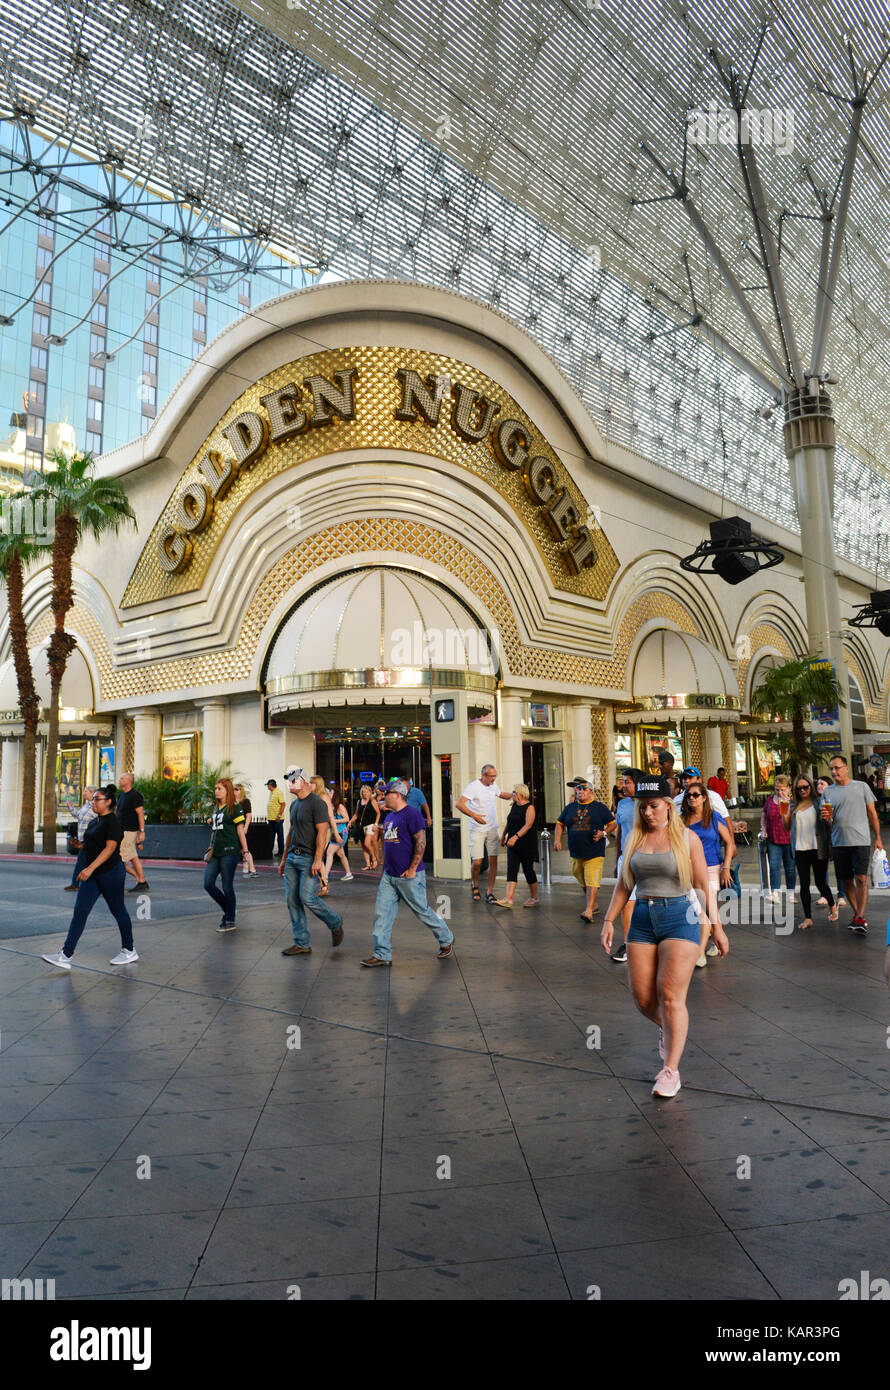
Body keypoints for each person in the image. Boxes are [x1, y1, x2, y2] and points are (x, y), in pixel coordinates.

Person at [600, 774, 729, 1098]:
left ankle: (670, 1070)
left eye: (654, 806)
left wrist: (717, 927)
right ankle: (670, 1029)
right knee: (644, 1000)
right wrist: (609, 920)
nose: (648, 813)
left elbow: (702, 886)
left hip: (680, 918)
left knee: (671, 997)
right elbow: (624, 885)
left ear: (669, 806)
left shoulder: (687, 839)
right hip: (643, 918)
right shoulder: (635, 840)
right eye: (643, 807)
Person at [42, 787, 138, 969]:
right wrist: (80, 846)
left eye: (97, 799)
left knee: (118, 910)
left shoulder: (114, 822)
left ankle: (129, 950)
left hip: (111, 873)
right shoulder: (95, 822)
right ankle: (65, 955)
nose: (93, 802)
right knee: (80, 911)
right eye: (92, 799)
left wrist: (89, 868)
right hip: (94, 874)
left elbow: (110, 849)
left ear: (108, 801)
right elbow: (93, 846)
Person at [360, 780, 453, 966]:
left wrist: (412, 869)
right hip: (389, 875)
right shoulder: (389, 817)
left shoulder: (412, 814)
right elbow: (388, 843)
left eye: (387, 793)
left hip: (409, 876)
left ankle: (446, 938)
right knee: (382, 913)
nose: (384, 796)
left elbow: (421, 842)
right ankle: (382, 953)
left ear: (397, 795)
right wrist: (384, 864)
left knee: (422, 911)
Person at [279, 768, 344, 956]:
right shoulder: (294, 805)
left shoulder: (317, 803)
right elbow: (291, 833)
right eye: (289, 780)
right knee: (292, 900)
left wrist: (317, 860)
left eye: (293, 780)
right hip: (292, 857)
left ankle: (335, 922)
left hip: (308, 858)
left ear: (304, 781)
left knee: (307, 897)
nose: (289, 784)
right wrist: (284, 859)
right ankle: (301, 942)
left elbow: (322, 833)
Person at [821, 754, 884, 935]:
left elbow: (872, 813)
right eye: (831, 768)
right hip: (840, 842)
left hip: (861, 841)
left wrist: (878, 837)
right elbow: (828, 820)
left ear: (846, 768)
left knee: (862, 878)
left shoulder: (861, 787)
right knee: (846, 880)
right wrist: (828, 823)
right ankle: (859, 916)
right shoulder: (828, 792)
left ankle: (860, 915)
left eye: (837, 768)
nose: (834, 772)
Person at [679, 780, 733, 966]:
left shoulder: (713, 817)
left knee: (703, 910)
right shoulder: (682, 820)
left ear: (704, 798)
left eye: (696, 795)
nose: (692, 798)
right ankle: (711, 940)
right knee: (700, 910)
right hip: (689, 869)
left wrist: (725, 868)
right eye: (689, 795)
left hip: (711, 868)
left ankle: (700, 952)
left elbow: (730, 843)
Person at [555, 778, 616, 922]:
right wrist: (557, 840)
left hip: (594, 850)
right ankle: (593, 903)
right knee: (579, 875)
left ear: (590, 791)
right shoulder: (570, 808)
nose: (580, 791)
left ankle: (589, 910)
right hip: (576, 851)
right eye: (578, 789)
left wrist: (603, 833)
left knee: (592, 880)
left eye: (583, 789)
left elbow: (613, 823)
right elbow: (559, 824)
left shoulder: (599, 807)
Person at [457, 763, 513, 903]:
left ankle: (490, 891)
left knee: (493, 861)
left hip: (492, 828)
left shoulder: (493, 785)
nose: (494, 779)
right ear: (484, 776)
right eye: (491, 776)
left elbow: (502, 795)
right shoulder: (473, 786)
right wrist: (474, 815)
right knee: (477, 862)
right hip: (477, 828)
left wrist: (515, 795)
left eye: (495, 776)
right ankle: (475, 884)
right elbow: (459, 804)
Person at [791, 774, 836, 929]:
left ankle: (832, 903)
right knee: (804, 884)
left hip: (818, 847)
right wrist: (783, 814)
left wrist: (831, 845)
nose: (803, 790)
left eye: (806, 787)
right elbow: (786, 827)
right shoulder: (792, 805)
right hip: (800, 848)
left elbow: (828, 824)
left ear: (811, 786)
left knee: (820, 882)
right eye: (799, 788)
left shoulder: (819, 802)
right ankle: (808, 917)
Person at [204, 778, 249, 932]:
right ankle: (229, 910)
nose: (216, 791)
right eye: (216, 788)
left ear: (227, 790)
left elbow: (240, 830)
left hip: (229, 851)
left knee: (227, 885)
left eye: (220, 788)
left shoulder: (234, 808)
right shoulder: (217, 808)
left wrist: (245, 851)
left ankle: (230, 919)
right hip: (215, 852)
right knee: (208, 884)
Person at [611, 767, 644, 963]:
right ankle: (628, 944)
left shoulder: (648, 804)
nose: (623, 785)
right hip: (626, 858)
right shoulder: (622, 804)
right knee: (627, 903)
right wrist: (618, 858)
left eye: (627, 782)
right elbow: (621, 832)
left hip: (646, 859)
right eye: (623, 782)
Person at [495, 784, 538, 908]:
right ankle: (509, 898)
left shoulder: (530, 807)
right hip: (512, 844)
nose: (512, 794)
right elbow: (510, 822)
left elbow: (528, 825)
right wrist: (504, 836)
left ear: (521, 794)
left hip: (526, 843)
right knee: (511, 869)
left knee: (528, 870)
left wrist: (515, 837)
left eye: (514, 792)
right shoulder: (514, 805)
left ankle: (534, 897)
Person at [762, 774, 795, 903]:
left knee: (790, 867)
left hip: (788, 838)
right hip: (773, 837)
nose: (779, 792)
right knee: (774, 866)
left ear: (788, 788)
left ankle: (790, 893)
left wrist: (785, 802)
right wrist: (763, 829)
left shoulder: (792, 801)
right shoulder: (770, 800)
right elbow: (764, 814)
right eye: (777, 789)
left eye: (782, 789)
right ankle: (775, 892)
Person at [116, 772, 150, 893]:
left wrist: (142, 832)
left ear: (129, 781)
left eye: (122, 778)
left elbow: (140, 813)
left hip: (129, 831)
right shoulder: (120, 796)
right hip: (121, 831)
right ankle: (141, 881)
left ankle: (118, 884)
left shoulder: (135, 795)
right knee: (133, 857)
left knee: (120, 858)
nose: (119, 780)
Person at [816, 775, 846, 908]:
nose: (819, 786)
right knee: (822, 867)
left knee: (839, 866)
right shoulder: (816, 801)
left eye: (822, 783)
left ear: (829, 786)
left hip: (835, 835)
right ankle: (824, 895)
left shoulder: (833, 799)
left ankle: (841, 895)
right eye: (818, 784)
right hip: (821, 837)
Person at [64, 786, 96, 891]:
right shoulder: (86, 805)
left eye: (86, 791)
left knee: (83, 862)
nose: (84, 793)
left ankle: (76, 883)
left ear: (92, 793)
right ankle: (77, 883)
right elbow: (78, 816)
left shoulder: (95, 807)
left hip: (91, 839)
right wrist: (71, 807)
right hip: (82, 838)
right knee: (83, 862)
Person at [324, 785, 354, 882]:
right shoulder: (330, 806)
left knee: (329, 852)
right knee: (341, 854)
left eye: (331, 792)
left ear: (335, 795)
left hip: (341, 832)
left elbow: (347, 818)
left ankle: (325, 876)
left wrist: (333, 821)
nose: (329, 794)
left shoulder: (339, 806)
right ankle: (348, 873)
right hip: (335, 832)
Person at [349, 783, 380, 869]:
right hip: (361, 826)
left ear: (370, 792)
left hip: (370, 825)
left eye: (366, 792)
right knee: (363, 845)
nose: (364, 794)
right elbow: (356, 814)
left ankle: (374, 859)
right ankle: (368, 865)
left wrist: (376, 824)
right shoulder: (359, 801)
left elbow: (378, 813)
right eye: (363, 792)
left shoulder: (372, 801)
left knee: (367, 842)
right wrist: (350, 821)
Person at [234, 783, 258, 877]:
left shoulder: (245, 801)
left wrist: (245, 827)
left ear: (241, 790)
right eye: (233, 789)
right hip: (234, 829)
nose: (234, 791)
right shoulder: (233, 802)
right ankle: (245, 869)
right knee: (241, 849)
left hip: (242, 827)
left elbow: (248, 816)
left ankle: (252, 870)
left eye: (237, 789)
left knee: (245, 849)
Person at [266, 778, 286, 861]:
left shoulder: (278, 792)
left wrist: (279, 815)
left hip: (278, 819)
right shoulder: (272, 792)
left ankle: (281, 851)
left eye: (268, 785)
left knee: (279, 836)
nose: (267, 787)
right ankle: (269, 851)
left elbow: (283, 804)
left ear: (271, 785)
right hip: (271, 819)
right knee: (271, 836)